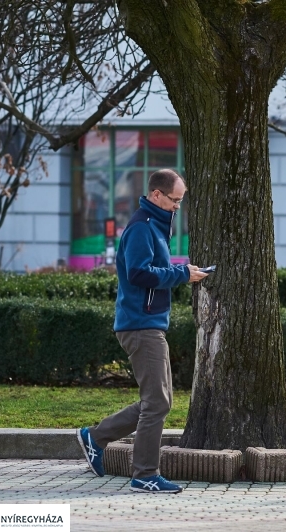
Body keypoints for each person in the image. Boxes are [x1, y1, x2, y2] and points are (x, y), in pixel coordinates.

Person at [77, 169, 209, 493]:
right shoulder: (142, 227)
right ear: (156, 195)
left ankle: (95, 437)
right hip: (140, 324)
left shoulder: (155, 226)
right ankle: (144, 475)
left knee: (157, 400)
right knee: (157, 402)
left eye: (180, 201)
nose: (177, 206)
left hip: (148, 323)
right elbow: (138, 273)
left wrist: (181, 273)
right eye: (174, 200)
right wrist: (181, 274)